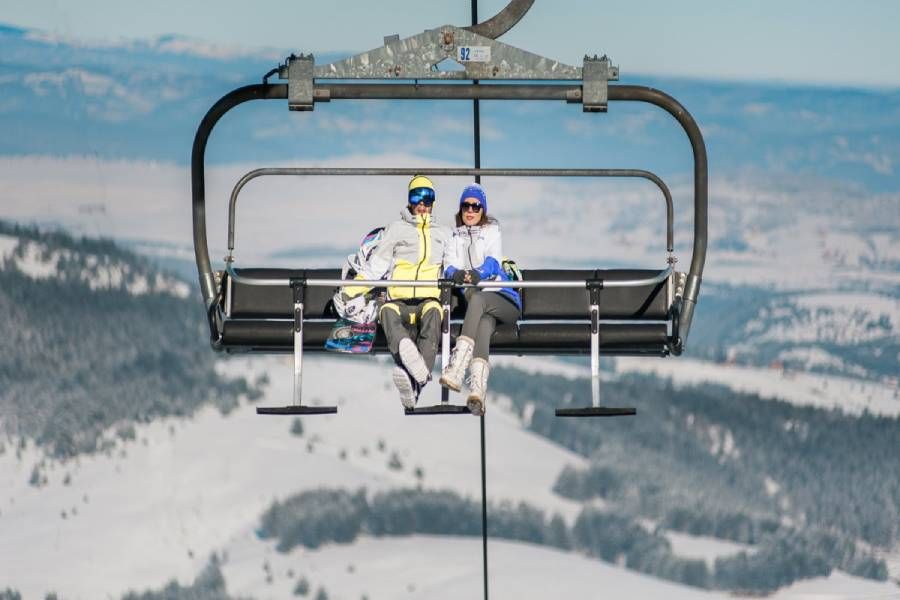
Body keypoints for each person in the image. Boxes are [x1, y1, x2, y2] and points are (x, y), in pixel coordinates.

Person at [343, 175, 452, 408]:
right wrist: (349, 291)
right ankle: (414, 365)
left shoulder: (443, 233)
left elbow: (454, 266)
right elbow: (376, 267)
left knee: (434, 314)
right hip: (398, 300)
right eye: (417, 197)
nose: (422, 204)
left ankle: (414, 382)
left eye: (428, 198)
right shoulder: (396, 229)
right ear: (409, 201)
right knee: (387, 312)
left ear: (433, 203)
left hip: (428, 299)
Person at [439, 183, 521, 416]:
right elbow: (449, 264)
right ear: (461, 209)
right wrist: (456, 274)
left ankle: (457, 367)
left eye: (476, 206)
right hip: (480, 303)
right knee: (483, 325)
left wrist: (478, 274)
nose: (471, 210)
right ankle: (478, 391)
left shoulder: (491, 232)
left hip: (504, 300)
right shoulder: (454, 236)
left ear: (483, 210)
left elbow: (493, 261)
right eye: (466, 205)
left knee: (477, 300)